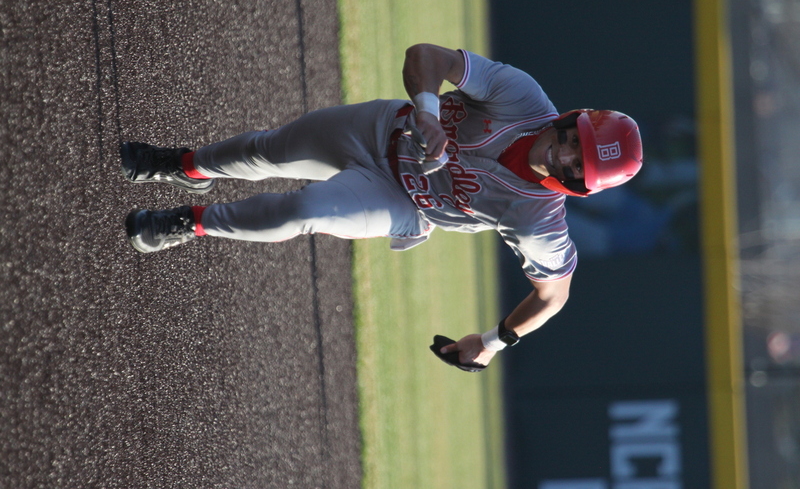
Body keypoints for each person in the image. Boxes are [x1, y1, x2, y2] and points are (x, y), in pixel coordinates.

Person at [120, 44, 643, 370]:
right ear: (573, 120)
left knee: (304, 212)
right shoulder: (522, 97)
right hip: (381, 129)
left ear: (579, 184)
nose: (568, 154)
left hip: (402, 201)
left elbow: (553, 295)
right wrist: (428, 109)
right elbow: (425, 56)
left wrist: (492, 341)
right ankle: (189, 166)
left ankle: (189, 224)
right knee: (268, 150)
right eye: (576, 140)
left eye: (579, 164)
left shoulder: (539, 220)